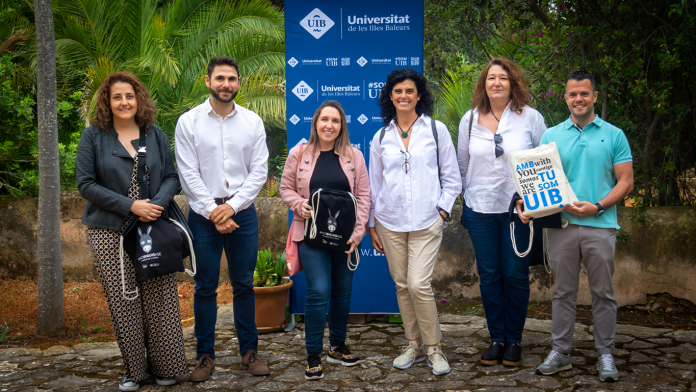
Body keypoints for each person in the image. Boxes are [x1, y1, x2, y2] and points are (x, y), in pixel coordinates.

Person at [76, 72, 187, 391]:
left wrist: (157, 204)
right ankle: (134, 371)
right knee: (124, 299)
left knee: (161, 296)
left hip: (153, 224)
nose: (124, 102)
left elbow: (171, 176)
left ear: (138, 99)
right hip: (109, 229)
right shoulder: (93, 137)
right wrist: (130, 206)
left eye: (129, 96)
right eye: (116, 97)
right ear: (107, 103)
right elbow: (85, 184)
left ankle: (166, 366)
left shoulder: (155, 134)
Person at [524, 71, 633, 382]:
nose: (579, 99)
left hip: (601, 225)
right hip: (563, 226)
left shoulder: (614, 135)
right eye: (573, 94)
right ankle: (560, 353)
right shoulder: (551, 136)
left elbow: (626, 181)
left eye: (584, 93)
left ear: (595, 96)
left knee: (603, 293)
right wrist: (528, 206)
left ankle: (606, 354)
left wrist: (597, 206)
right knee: (562, 293)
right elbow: (539, 185)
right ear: (566, 97)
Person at [175, 56, 270, 381]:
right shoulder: (188, 122)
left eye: (232, 79)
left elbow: (259, 171)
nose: (226, 84)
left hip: (242, 214)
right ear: (208, 81)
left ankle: (249, 352)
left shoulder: (252, 122)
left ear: (238, 83)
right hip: (203, 216)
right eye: (220, 78)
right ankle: (205, 357)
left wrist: (233, 207)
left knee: (244, 284)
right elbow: (188, 173)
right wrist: (214, 211)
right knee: (205, 287)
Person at [368, 68, 461, 376]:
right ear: (390, 97)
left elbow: (452, 178)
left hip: (426, 221)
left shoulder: (436, 130)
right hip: (390, 222)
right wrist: (372, 225)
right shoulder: (380, 136)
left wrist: (443, 212)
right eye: (398, 91)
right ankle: (413, 344)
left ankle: (434, 348)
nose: (404, 96)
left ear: (419, 95)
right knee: (401, 285)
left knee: (418, 284)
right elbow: (375, 184)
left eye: (409, 90)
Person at [457, 57, 547, 367]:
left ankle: (515, 340)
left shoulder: (531, 118)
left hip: (518, 211)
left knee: (515, 274)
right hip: (479, 209)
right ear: (483, 84)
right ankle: (497, 338)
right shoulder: (469, 119)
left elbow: (543, 160)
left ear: (513, 84)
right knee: (490, 276)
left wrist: (533, 202)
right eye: (491, 78)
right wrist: (465, 200)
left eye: (503, 78)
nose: (497, 82)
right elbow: (463, 166)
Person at [280, 100, 371, 380]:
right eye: (324, 120)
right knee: (319, 291)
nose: (329, 125)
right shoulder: (300, 153)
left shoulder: (354, 156)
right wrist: (298, 204)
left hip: (345, 238)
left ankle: (338, 346)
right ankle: (313, 355)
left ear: (341, 125)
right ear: (315, 123)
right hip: (310, 236)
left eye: (335, 120)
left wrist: (358, 233)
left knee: (342, 292)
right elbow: (285, 188)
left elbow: (365, 197)